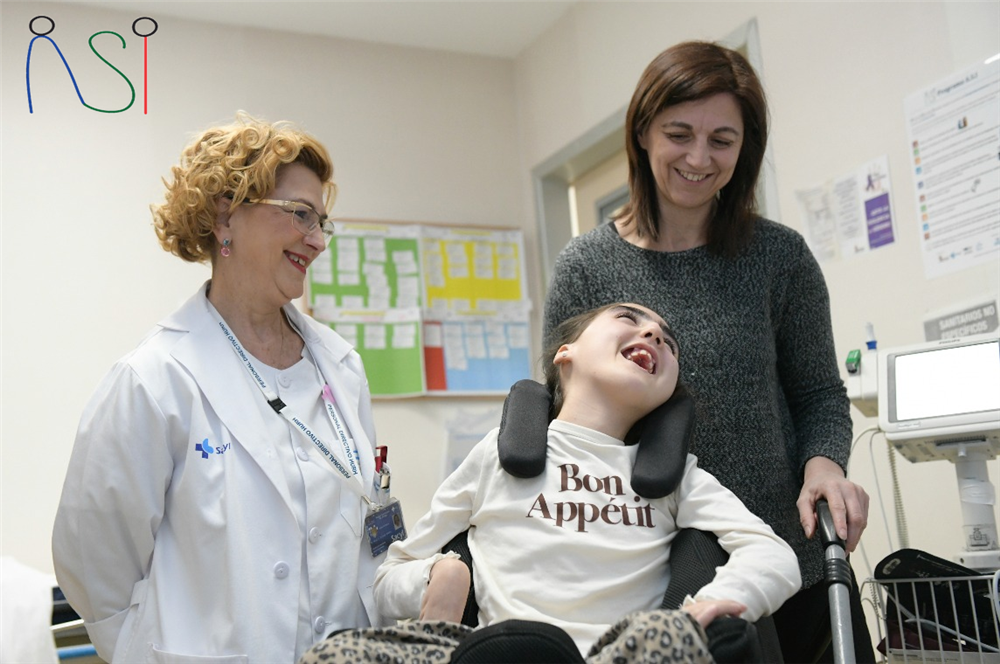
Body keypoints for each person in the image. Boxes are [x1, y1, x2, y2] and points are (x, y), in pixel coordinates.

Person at [541, 41, 873, 663]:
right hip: (647, 575)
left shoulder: (779, 258)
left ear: (745, 148)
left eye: (722, 139)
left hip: (789, 559)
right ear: (643, 132)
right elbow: (564, 418)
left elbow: (819, 394)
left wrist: (824, 465)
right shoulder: (586, 266)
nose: (699, 158)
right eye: (679, 133)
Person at [52, 114, 387, 663]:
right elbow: (94, 566)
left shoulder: (340, 367)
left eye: (323, 221)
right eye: (301, 215)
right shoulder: (155, 380)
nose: (318, 240)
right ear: (226, 214)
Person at [302, 302, 801, 664]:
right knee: (334, 656)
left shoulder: (680, 477)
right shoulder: (494, 458)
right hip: (502, 652)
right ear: (566, 353)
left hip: (627, 651)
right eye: (630, 320)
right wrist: (439, 578)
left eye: (668, 343)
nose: (653, 335)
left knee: (667, 640)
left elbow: (774, 555)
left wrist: (710, 606)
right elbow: (389, 576)